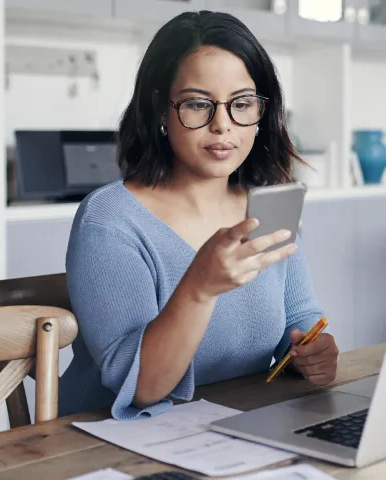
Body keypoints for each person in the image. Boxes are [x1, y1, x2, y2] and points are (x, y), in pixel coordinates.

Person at [58, 10, 338, 420]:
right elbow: (141, 389)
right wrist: (199, 288)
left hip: (235, 426)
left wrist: (312, 351)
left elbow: (299, 319)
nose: (223, 126)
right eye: (197, 104)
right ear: (160, 109)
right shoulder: (110, 219)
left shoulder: (267, 204)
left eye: (241, 104)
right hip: (110, 446)